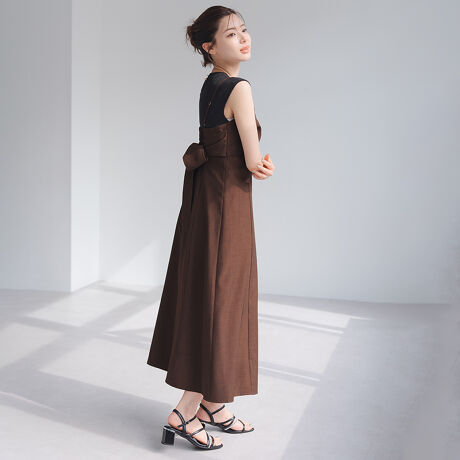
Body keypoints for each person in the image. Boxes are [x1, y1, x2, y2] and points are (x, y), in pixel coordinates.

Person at [146, 6, 275, 450]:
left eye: (244, 30)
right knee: (223, 300)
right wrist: (265, 165)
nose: (244, 38)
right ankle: (185, 411)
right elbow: (253, 160)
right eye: (232, 34)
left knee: (213, 294)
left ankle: (213, 405)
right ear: (210, 46)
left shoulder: (210, 85)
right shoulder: (239, 88)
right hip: (227, 205)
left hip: (205, 201)